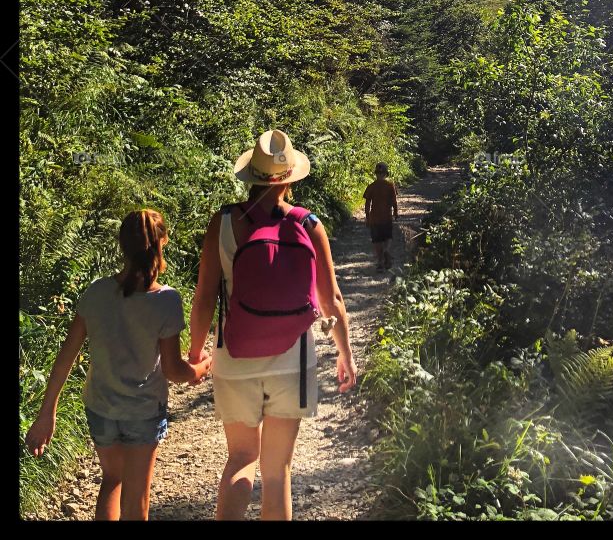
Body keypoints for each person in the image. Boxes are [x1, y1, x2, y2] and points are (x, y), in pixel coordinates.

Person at [188, 129, 356, 522]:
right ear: (289, 179)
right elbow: (332, 301)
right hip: (292, 361)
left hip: (235, 358)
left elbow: (204, 298)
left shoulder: (223, 223)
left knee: (241, 459)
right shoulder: (309, 224)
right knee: (277, 471)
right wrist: (345, 354)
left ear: (252, 176)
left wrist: (197, 352)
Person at [25, 209, 211, 521]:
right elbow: (173, 370)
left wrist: (47, 414)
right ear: (161, 244)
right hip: (143, 413)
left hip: (101, 409)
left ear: (121, 246)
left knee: (112, 479)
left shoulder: (97, 291)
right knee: (136, 497)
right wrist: (202, 368)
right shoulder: (165, 301)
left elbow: (65, 358)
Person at [363, 162, 399, 271]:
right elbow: (394, 201)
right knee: (388, 237)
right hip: (386, 217)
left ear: (376, 174)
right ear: (386, 174)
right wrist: (395, 213)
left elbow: (367, 203)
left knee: (376, 241)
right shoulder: (390, 186)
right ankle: (387, 250)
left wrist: (368, 217)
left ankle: (380, 262)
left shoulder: (371, 186)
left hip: (375, 219)